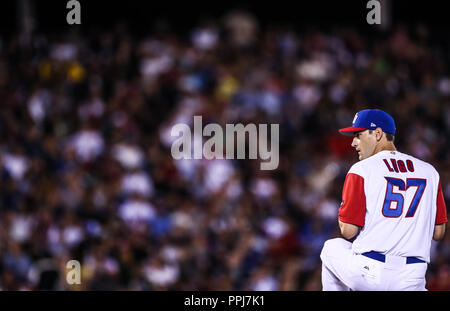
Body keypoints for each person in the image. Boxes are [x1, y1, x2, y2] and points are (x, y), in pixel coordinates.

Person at [320, 109, 447, 291]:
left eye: (358, 135)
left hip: (370, 272)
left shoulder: (362, 169)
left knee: (331, 248)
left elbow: (348, 231)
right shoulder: (430, 172)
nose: (353, 143)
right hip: (412, 278)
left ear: (378, 134)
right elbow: (438, 233)